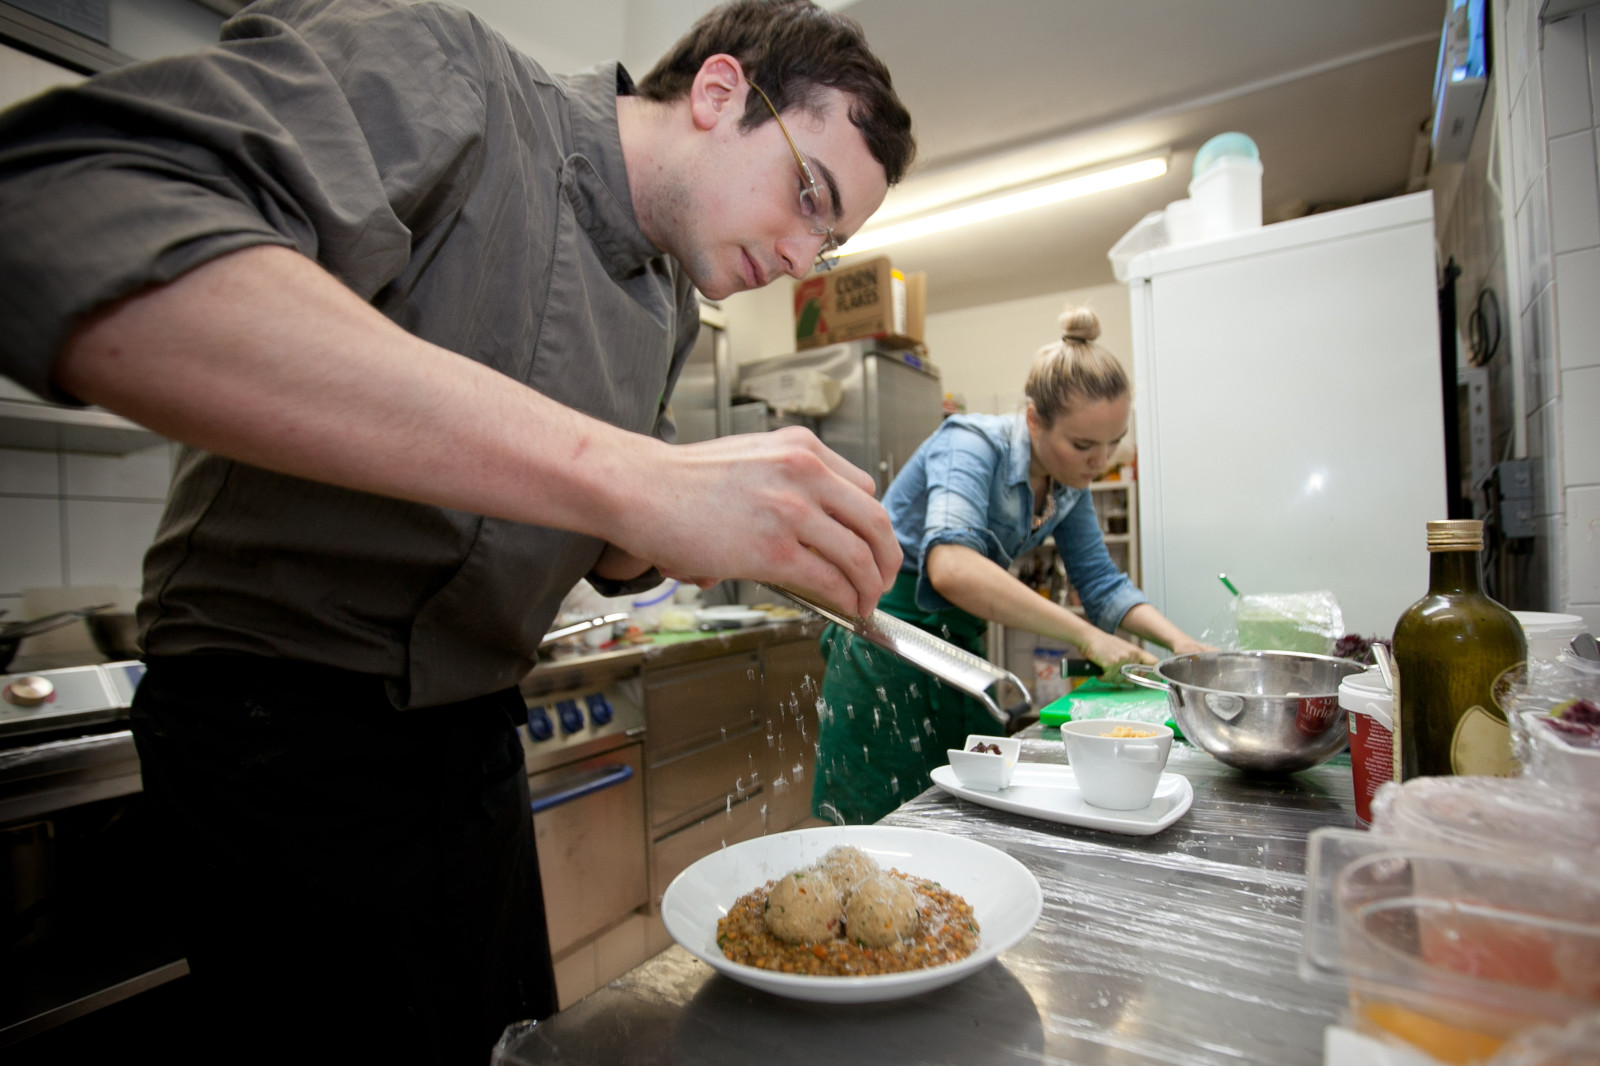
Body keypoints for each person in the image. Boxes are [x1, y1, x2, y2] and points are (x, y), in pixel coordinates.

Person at [0, 0, 914, 1061]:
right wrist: (636, 476)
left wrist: (709, 524)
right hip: (275, 721)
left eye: (833, 239)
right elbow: (63, 203)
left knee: (502, 1041)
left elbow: (610, 537)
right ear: (718, 95)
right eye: (810, 197)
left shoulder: (666, 295)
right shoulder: (456, 82)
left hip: (473, 734)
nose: (808, 254)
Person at [811, 307, 1207, 826]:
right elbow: (950, 567)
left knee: (963, 812)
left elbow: (1103, 584)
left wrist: (1182, 647)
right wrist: (1090, 638)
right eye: (1084, 444)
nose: (1100, 460)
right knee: (884, 819)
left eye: (1114, 442)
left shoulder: (1067, 484)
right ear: (1033, 419)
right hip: (887, 640)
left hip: (956, 647)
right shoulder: (969, 444)